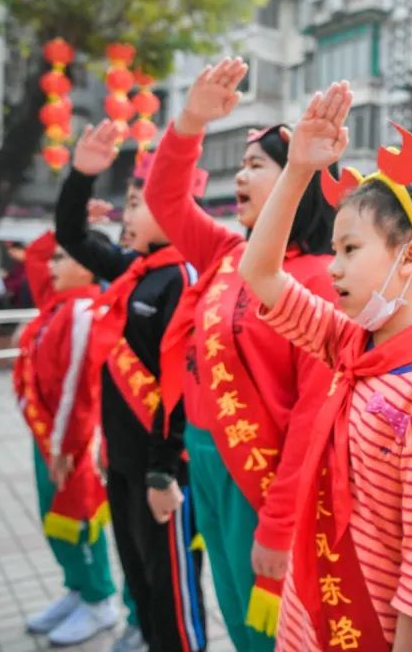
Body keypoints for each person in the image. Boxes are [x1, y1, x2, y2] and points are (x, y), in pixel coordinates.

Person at [239, 81, 412, 652]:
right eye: (335, 249)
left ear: (410, 256)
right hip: (310, 616)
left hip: (373, 632)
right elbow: (261, 275)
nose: (335, 269)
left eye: (351, 250)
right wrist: (296, 171)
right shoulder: (348, 345)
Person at [144, 57, 337, 650]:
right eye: (243, 165)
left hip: (267, 477)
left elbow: (312, 417)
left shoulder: (322, 278)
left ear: (296, 183)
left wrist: (279, 524)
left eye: (257, 166)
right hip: (205, 460)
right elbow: (166, 198)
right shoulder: (229, 250)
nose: (241, 177)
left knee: (271, 627)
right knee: (231, 605)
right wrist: (191, 122)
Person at [56, 124, 207, 652]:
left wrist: (165, 469)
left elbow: (182, 387)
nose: (126, 214)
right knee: (141, 585)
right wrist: (81, 175)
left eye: (138, 203)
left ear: (175, 208)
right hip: (122, 460)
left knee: (172, 595)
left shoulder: (183, 279)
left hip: (161, 470)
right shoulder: (133, 271)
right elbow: (72, 236)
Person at [14, 231, 118, 645]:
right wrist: (68, 222)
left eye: (63, 258)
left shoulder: (82, 312)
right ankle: (77, 589)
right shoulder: (58, 303)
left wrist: (63, 447)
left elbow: (78, 388)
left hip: (72, 442)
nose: (51, 266)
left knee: (79, 517)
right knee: (53, 515)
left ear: (87, 265)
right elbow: (36, 258)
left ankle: (99, 600)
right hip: (51, 438)